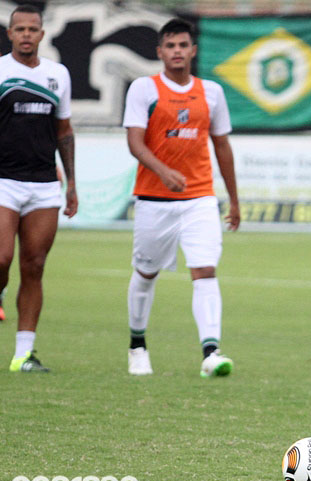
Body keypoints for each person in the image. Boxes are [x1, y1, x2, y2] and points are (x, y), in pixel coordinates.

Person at [122, 18, 240, 378]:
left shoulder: (212, 93)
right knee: (146, 272)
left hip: (200, 198)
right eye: (170, 46)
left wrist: (233, 199)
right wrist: (163, 171)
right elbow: (135, 142)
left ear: (193, 50)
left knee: (204, 270)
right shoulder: (144, 89)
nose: (177, 51)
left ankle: (211, 352)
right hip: (153, 199)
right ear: (160, 52)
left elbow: (222, 146)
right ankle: (137, 345)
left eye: (183, 45)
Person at [1, 4, 78, 372]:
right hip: (3, 180)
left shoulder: (57, 74)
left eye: (33, 29)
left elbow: (64, 130)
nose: (27, 35)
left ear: (42, 34)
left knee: (34, 264)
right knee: (2, 258)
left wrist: (72, 183)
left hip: (45, 182)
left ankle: (23, 355)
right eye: (20, 29)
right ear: (10, 33)